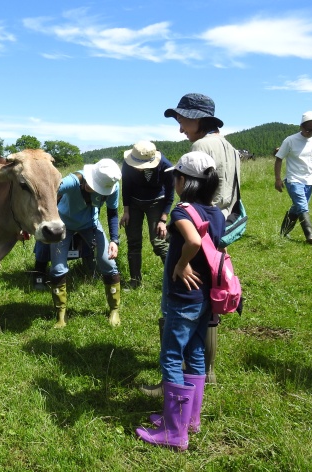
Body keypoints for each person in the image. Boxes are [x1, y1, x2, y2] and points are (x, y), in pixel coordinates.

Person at [140, 93, 240, 393]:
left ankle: (172, 383)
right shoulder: (231, 147)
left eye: (182, 120)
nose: (181, 128)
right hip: (218, 232)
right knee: (207, 306)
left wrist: (184, 253)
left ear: (198, 119)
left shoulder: (200, 148)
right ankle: (204, 375)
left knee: (177, 306)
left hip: (194, 231)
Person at [135, 151, 224, 451]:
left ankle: (174, 433)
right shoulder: (216, 213)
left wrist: (182, 263)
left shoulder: (182, 211)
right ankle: (190, 420)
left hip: (183, 297)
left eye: (177, 177)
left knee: (171, 356)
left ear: (186, 181)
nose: (175, 181)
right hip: (205, 298)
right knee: (196, 352)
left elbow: (194, 242)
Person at [49, 158, 122, 328]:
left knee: (108, 262)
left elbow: (112, 213)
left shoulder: (113, 187)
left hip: (90, 224)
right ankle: (60, 315)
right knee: (58, 268)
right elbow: (49, 191)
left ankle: (114, 309)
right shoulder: (72, 181)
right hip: (63, 224)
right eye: (92, 185)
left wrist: (114, 240)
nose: (93, 189)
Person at [120, 140, 174, 288]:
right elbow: (126, 186)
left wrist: (163, 219)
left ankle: (174, 280)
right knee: (133, 242)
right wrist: (126, 210)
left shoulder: (166, 166)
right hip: (134, 203)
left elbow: (170, 194)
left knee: (158, 242)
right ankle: (135, 281)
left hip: (157, 202)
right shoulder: (127, 164)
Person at [274, 111, 312, 244]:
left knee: (297, 207)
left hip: (309, 180)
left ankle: (283, 233)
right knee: (302, 207)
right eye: (309, 130)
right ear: (301, 127)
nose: (311, 133)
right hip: (293, 180)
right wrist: (278, 179)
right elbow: (278, 159)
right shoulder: (290, 140)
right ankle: (310, 236)